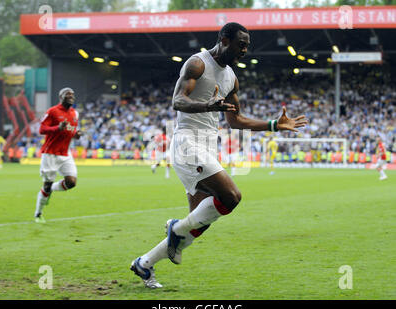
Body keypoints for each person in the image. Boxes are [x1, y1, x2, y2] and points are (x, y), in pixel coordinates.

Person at [130, 22, 308, 288]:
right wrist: (206, 106)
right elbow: (177, 100)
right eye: (241, 44)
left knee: (198, 226)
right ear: (224, 39)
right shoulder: (197, 64)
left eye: (247, 45)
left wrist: (273, 125)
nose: (245, 50)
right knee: (232, 196)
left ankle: (144, 264)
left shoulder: (231, 78)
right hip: (188, 142)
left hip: (207, 145)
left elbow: (235, 121)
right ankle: (175, 228)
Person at [34, 88, 83, 223]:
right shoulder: (52, 111)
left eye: (72, 95)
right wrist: (57, 128)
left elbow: (70, 132)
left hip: (65, 154)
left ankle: (50, 190)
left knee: (71, 182)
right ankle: (38, 214)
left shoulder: (75, 114)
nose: (71, 97)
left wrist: (76, 135)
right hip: (50, 153)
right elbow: (42, 129)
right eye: (68, 95)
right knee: (46, 185)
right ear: (61, 97)